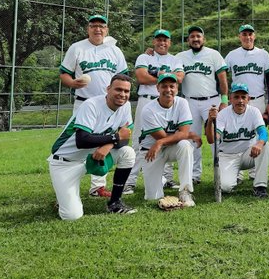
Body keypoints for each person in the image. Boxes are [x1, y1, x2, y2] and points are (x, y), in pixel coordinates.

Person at [48, 74, 136, 220]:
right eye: (118, 89)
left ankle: (115, 202)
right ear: (108, 89)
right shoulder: (91, 105)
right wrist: (114, 138)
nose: (122, 94)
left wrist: (108, 145)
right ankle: (63, 199)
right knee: (72, 216)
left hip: (90, 158)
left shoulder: (125, 106)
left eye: (126, 91)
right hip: (65, 163)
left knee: (127, 152)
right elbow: (81, 140)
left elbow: (124, 138)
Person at [59, 14, 129, 198]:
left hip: (110, 107)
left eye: (102, 26)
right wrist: (72, 83)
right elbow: (64, 73)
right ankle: (68, 187)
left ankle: (97, 187)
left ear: (107, 30)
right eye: (94, 25)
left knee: (106, 141)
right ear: (88, 28)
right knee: (78, 146)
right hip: (84, 105)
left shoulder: (115, 51)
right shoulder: (77, 48)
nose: (98, 29)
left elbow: (123, 78)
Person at [125, 29, 185, 194]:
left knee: (168, 138)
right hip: (147, 100)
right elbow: (141, 77)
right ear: (154, 41)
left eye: (165, 40)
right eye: (159, 39)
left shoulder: (175, 59)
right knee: (139, 141)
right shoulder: (144, 57)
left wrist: (154, 73)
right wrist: (164, 76)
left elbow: (179, 78)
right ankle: (130, 181)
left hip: (167, 102)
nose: (162, 43)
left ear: (169, 42)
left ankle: (167, 179)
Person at [176, 26, 228, 184]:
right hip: (189, 101)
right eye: (192, 36)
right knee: (193, 138)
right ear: (188, 40)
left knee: (216, 137)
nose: (195, 39)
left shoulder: (213, 54)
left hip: (211, 101)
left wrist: (224, 101)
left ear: (203, 39)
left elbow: (222, 79)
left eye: (198, 36)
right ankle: (194, 175)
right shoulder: (180, 56)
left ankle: (222, 173)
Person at [138, 73, 196, 206]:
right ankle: (161, 180)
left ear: (177, 88)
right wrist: (162, 141)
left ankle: (185, 191)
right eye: (164, 86)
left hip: (167, 147)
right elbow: (162, 136)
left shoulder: (182, 103)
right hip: (150, 151)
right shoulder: (148, 109)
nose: (168, 90)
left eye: (172, 86)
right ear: (157, 88)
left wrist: (161, 142)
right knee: (153, 197)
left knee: (185, 145)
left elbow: (184, 133)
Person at [224, 24, 269, 181]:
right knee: (237, 131)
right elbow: (224, 76)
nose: (247, 37)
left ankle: (254, 172)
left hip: (257, 98)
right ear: (239, 37)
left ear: (255, 36)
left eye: (250, 34)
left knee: (257, 133)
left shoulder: (263, 54)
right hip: (238, 99)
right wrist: (224, 99)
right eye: (244, 34)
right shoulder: (232, 55)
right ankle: (237, 172)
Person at [205, 82, 269, 198]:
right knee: (225, 187)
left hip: (248, 154)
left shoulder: (254, 111)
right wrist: (210, 121)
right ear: (230, 99)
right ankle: (231, 177)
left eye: (243, 97)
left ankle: (260, 186)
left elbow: (263, 132)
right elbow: (212, 140)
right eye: (236, 97)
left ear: (248, 99)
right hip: (227, 156)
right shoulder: (223, 114)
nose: (240, 100)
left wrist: (260, 143)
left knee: (265, 145)